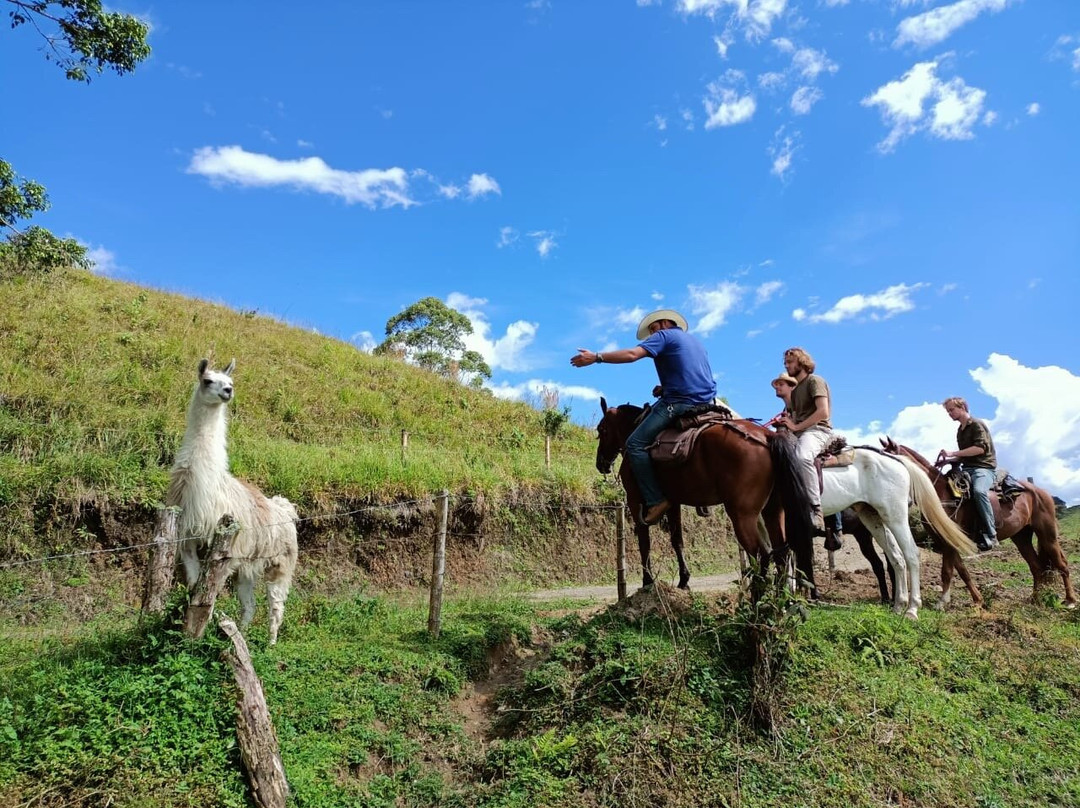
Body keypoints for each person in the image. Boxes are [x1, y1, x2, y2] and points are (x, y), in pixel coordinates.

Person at [570, 309, 716, 525]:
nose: (652, 334)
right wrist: (665, 387)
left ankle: (656, 500)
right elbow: (691, 375)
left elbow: (632, 355)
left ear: (666, 323)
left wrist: (596, 357)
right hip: (709, 404)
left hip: (680, 403)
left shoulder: (664, 335)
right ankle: (703, 489)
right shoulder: (696, 342)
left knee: (635, 444)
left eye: (654, 328)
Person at [770, 369, 842, 548]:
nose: (776, 387)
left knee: (813, 462)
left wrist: (794, 426)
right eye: (776, 385)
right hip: (800, 434)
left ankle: (834, 524)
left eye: (780, 384)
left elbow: (819, 415)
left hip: (815, 433)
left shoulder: (804, 395)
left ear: (792, 386)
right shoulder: (786, 409)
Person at [777, 347, 833, 536]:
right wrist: (786, 423)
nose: (787, 365)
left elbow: (823, 412)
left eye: (790, 362)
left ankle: (816, 510)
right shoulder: (797, 390)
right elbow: (794, 417)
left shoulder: (815, 381)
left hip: (818, 430)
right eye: (785, 362)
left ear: (801, 362)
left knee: (802, 457)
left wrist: (795, 427)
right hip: (801, 432)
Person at [938, 397, 999, 551]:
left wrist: (952, 452)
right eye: (948, 411)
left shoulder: (977, 424)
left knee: (979, 491)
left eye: (952, 410)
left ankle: (992, 534)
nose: (950, 414)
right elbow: (965, 455)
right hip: (967, 468)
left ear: (963, 407)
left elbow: (980, 449)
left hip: (983, 468)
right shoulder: (960, 430)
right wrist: (949, 461)